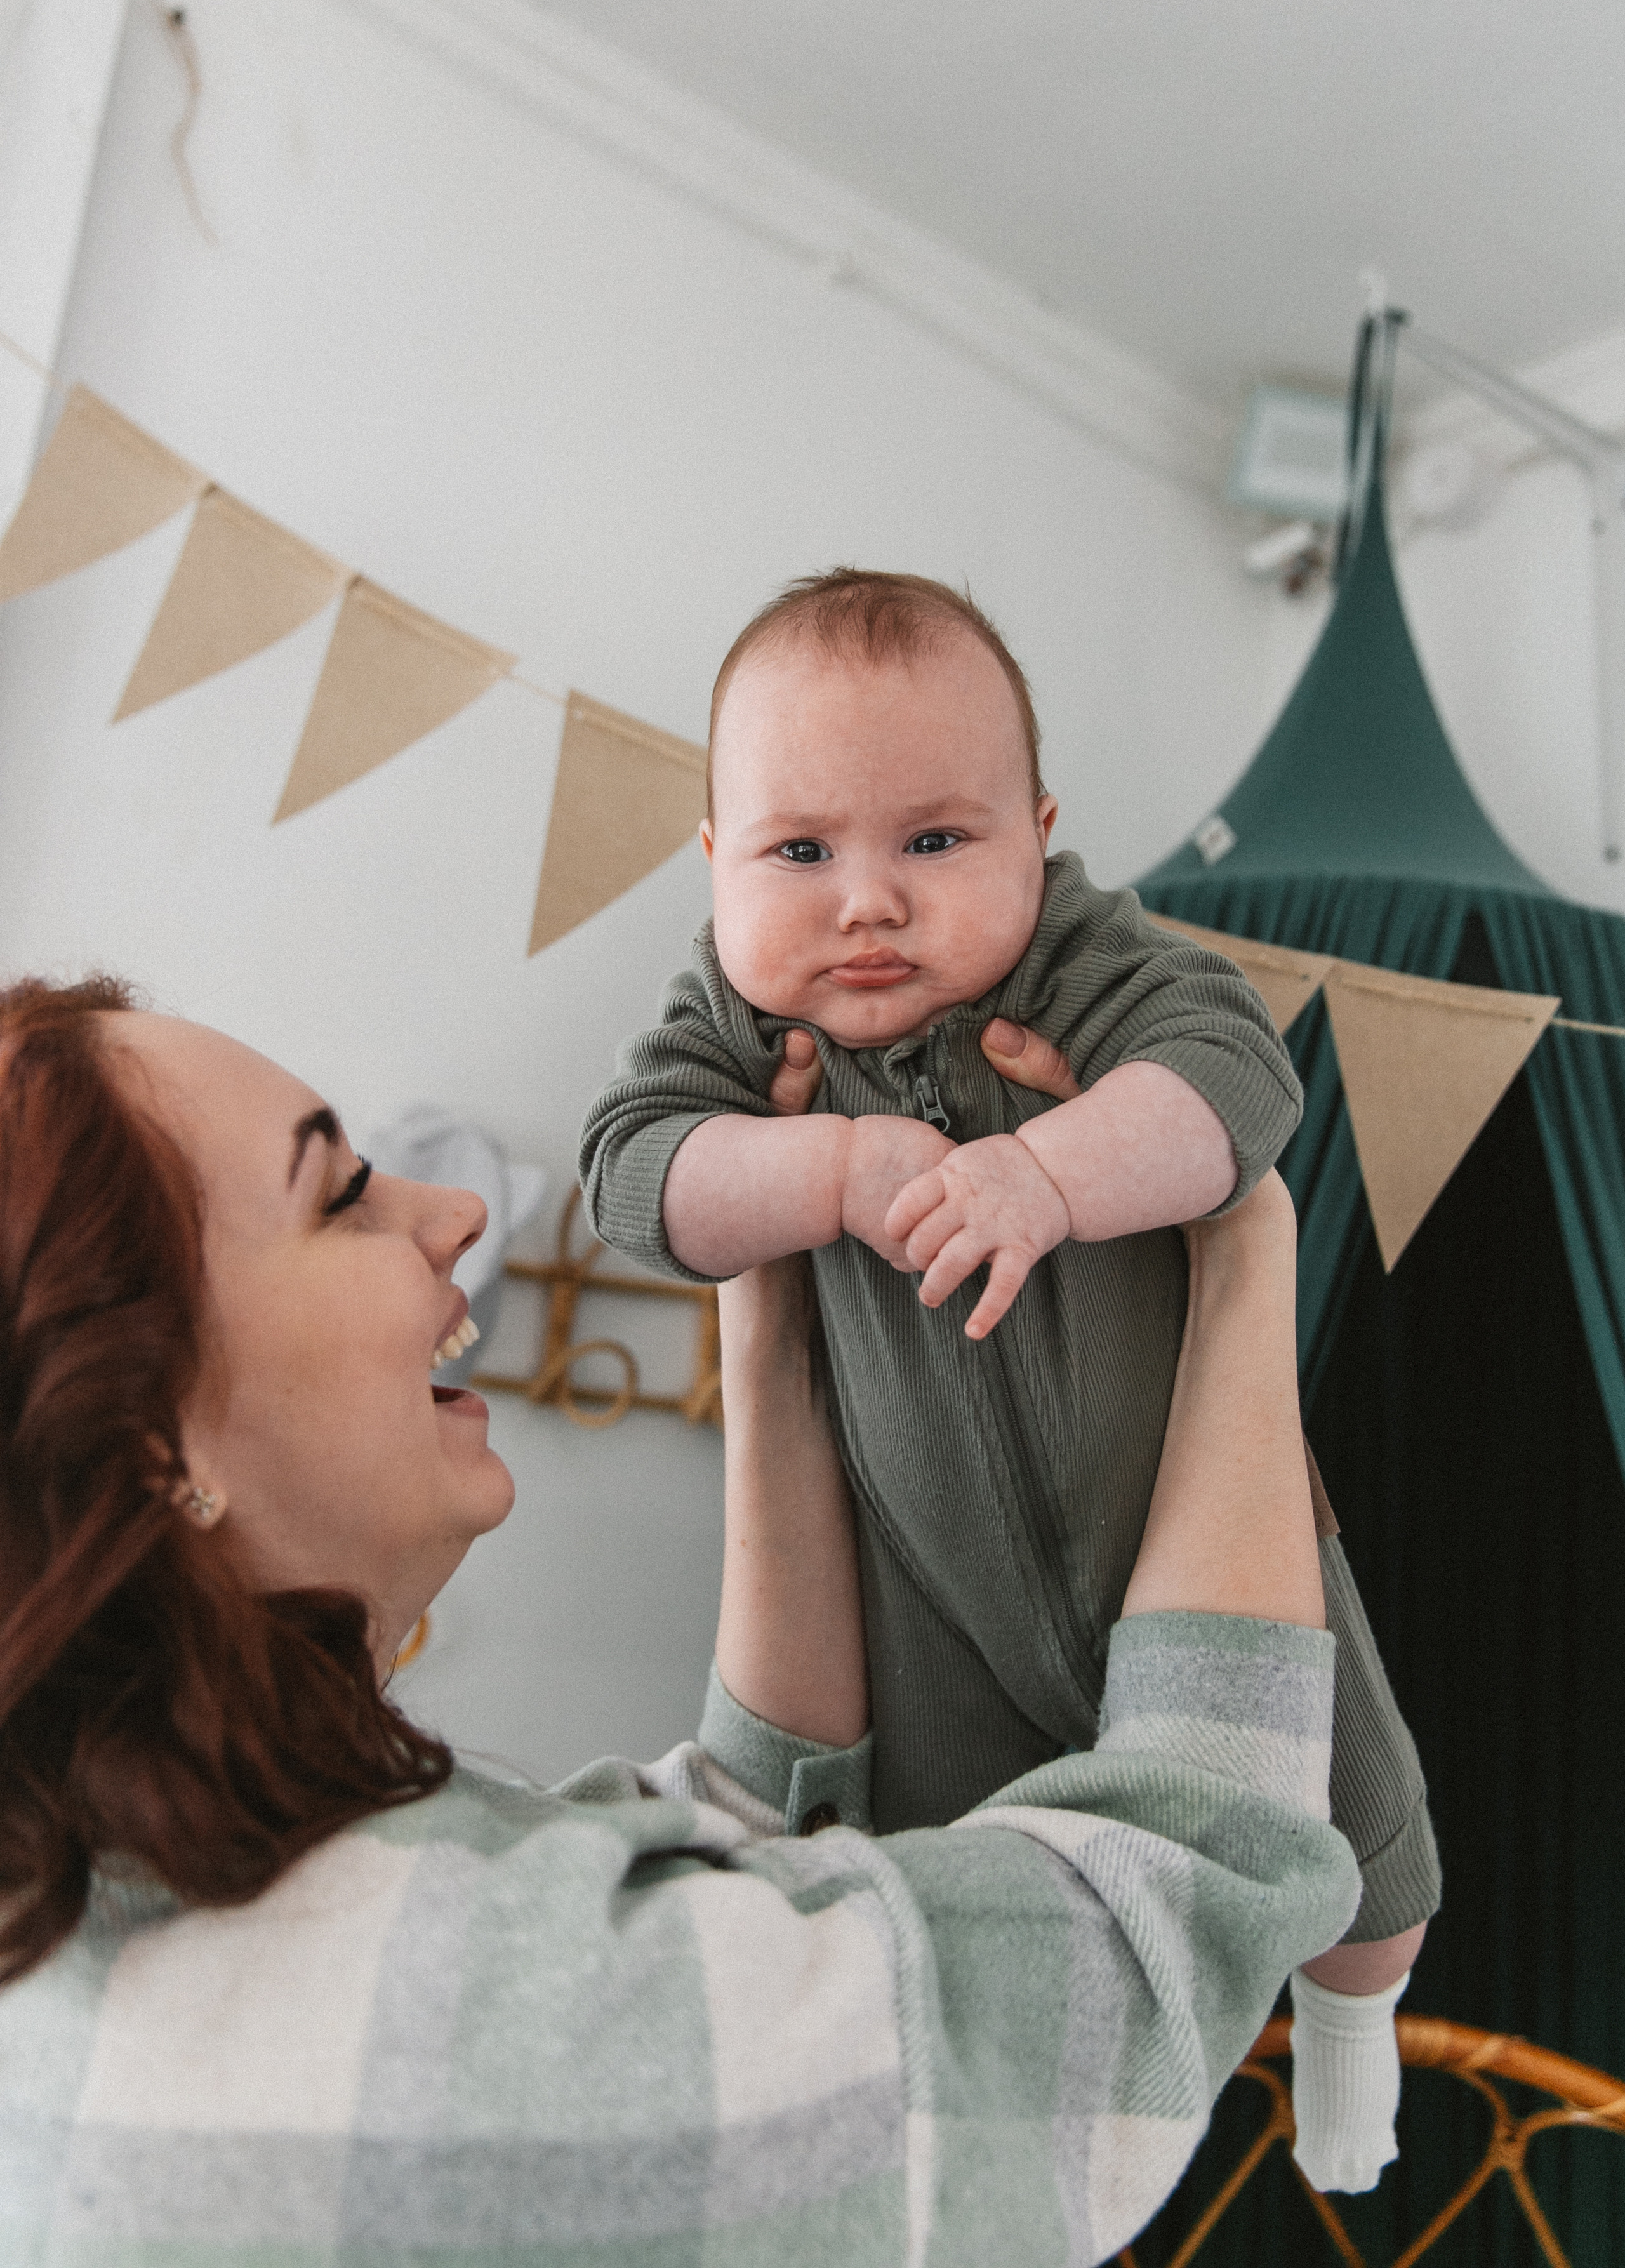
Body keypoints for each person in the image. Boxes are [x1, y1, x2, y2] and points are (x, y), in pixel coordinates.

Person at [0, 974, 1359, 2263]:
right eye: (341, 1195)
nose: (455, 1209)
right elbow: (1145, 1928)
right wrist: (1237, 1243)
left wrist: (767, 1296)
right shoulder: (456, 2046)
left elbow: (727, 1866)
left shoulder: (101, 1910)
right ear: (147, 1450)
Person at [579, 569, 1437, 2188]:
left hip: (1197, 1535)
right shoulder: (739, 1033)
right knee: (975, 1897)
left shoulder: (1075, 971)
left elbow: (1234, 1083)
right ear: (714, 864)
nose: (866, 902)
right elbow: (634, 1180)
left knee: (1359, 1851)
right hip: (927, 1597)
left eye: (932, 841)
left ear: (1035, 839)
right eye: (798, 852)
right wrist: (821, 1170)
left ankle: (1349, 2046)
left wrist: (1047, 1175)